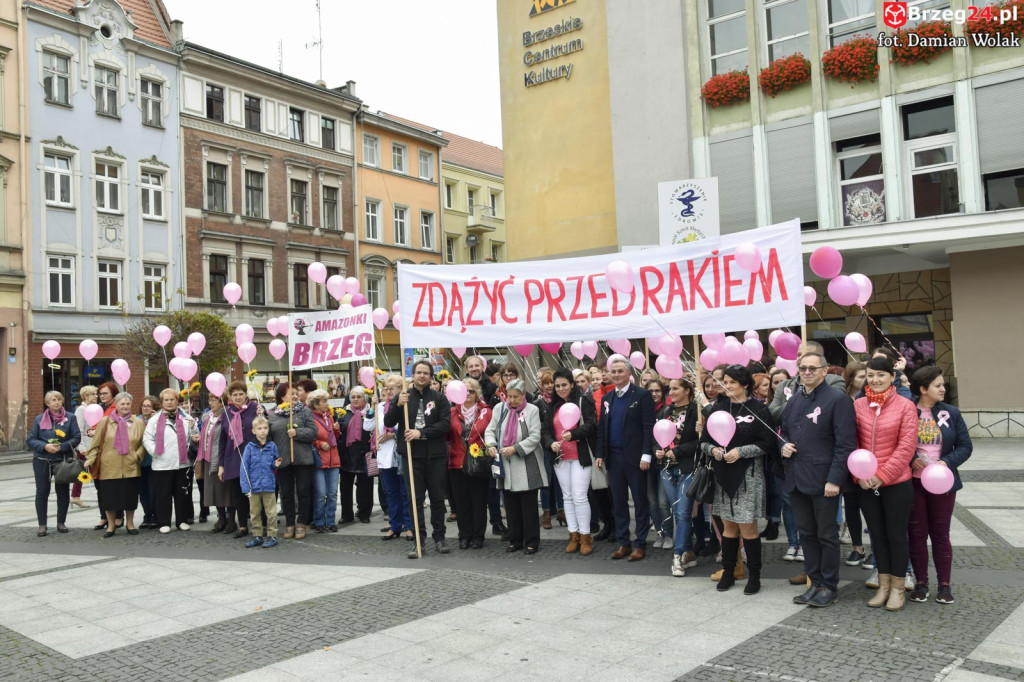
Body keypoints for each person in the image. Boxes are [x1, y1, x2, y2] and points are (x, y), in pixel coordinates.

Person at [780, 352, 857, 608]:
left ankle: (829, 585)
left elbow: (845, 444)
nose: (807, 372)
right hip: (796, 479)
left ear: (825, 371)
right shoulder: (794, 401)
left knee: (826, 535)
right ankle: (814, 583)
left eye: (813, 368)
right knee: (807, 535)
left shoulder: (838, 399)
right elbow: (786, 432)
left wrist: (835, 479)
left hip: (824, 480)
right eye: (803, 368)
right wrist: (783, 446)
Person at [699, 365, 777, 594]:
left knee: (748, 528)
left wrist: (741, 452)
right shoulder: (718, 409)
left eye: (732, 382)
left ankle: (755, 577)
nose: (727, 385)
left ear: (745, 384)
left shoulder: (757, 410)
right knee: (728, 527)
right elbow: (703, 441)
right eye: (725, 381)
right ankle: (730, 572)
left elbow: (768, 443)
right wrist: (712, 450)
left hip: (748, 476)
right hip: (722, 474)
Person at [854, 356, 918, 611]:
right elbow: (852, 443)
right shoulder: (858, 405)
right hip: (865, 484)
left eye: (880, 375)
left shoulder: (905, 405)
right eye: (870, 375)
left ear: (892, 377)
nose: (875, 380)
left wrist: (882, 475)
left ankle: (898, 589)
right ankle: (883, 586)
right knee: (877, 536)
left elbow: (906, 446)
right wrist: (858, 475)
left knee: (896, 535)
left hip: (896, 483)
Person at [907, 366, 972, 605]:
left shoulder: (951, 413)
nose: (943, 389)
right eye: (938, 385)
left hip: (943, 483)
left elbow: (966, 446)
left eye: (943, 385)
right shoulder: (907, 410)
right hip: (914, 483)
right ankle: (921, 583)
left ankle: (944, 585)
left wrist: (946, 462)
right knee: (916, 533)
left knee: (941, 534)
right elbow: (898, 442)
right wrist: (910, 458)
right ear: (923, 389)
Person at [384, 360, 453, 558]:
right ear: (412, 375)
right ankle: (418, 541)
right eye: (418, 372)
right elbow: (389, 422)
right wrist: (397, 405)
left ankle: (439, 537)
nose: (422, 376)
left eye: (426, 373)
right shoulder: (403, 397)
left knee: (438, 499)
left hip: (436, 456)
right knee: (415, 500)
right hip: (411, 456)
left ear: (431, 376)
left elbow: (445, 425)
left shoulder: (440, 398)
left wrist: (420, 433)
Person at [595, 358, 657, 562]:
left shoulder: (642, 395)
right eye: (613, 371)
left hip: (636, 457)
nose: (616, 374)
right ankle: (624, 542)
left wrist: (646, 454)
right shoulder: (608, 397)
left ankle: (640, 543)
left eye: (620, 370)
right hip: (613, 458)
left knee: (640, 501)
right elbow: (602, 428)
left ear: (630, 373)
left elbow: (649, 427)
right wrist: (599, 454)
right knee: (619, 502)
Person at [485, 378, 547, 554]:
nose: (511, 401)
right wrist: (490, 445)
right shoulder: (500, 409)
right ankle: (515, 539)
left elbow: (535, 436)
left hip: (527, 463)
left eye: (516, 397)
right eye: (509, 396)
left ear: (523, 395)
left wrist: (516, 448)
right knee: (511, 505)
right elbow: (490, 430)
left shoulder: (532, 410)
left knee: (528, 506)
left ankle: (531, 541)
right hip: (506, 464)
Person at [542, 367, 598, 556]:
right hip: (561, 457)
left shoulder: (584, 400)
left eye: (564, 384)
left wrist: (573, 434)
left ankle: (585, 536)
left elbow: (591, 425)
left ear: (572, 384)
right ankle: (573, 535)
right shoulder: (553, 406)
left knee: (580, 495)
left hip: (580, 456)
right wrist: (551, 444)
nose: (560, 388)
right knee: (567, 496)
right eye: (557, 385)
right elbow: (546, 431)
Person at [85, 392, 146, 537]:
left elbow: (144, 443)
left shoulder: (137, 422)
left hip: (130, 466)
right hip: (109, 466)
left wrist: (137, 456)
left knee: (130, 498)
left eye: (127, 404)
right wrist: (90, 459)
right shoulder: (105, 422)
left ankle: (130, 524)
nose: (125, 406)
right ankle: (111, 526)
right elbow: (96, 444)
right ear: (116, 405)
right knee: (110, 499)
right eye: (122, 404)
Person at [655, 378, 700, 576]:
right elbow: (656, 438)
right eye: (669, 389)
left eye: (675, 389)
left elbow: (700, 442)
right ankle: (688, 552)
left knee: (683, 513)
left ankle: (677, 556)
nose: (670, 392)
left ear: (687, 390)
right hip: (666, 469)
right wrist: (657, 450)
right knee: (677, 512)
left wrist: (679, 451)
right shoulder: (665, 412)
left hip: (687, 468)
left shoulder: (695, 411)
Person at [143, 388, 198, 534]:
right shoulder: (154, 420)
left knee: (182, 494)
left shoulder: (188, 418)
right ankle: (164, 521)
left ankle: (182, 520)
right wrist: (155, 451)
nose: (169, 402)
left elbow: (195, 436)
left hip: (182, 463)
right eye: (166, 400)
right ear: (162, 402)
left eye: (172, 399)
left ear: (177, 401)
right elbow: (147, 438)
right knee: (163, 495)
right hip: (162, 463)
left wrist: (193, 430)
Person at [27, 391, 82, 536]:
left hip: (62, 460)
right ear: (47, 403)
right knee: (42, 491)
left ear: (62, 401)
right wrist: (45, 446)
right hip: (42, 460)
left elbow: (76, 437)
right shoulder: (39, 419)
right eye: (53, 400)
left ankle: (61, 522)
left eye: (58, 399)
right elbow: (31, 439)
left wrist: (62, 447)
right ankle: (42, 525)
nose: (56, 402)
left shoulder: (70, 418)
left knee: (62, 492)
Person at [447, 377, 493, 549]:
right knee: (461, 501)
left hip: (478, 462)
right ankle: (464, 535)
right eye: (464, 391)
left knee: (479, 501)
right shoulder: (451, 411)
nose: (468, 395)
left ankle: (478, 535)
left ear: (477, 394)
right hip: (456, 461)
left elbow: (492, 434)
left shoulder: (486, 412)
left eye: (471, 391)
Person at [268, 382, 316, 539]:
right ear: (282, 397)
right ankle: (290, 523)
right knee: (286, 493)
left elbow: (313, 433)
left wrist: (297, 432)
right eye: (291, 393)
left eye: (296, 393)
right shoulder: (273, 414)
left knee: (303, 491)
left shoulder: (305, 412)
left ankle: (302, 522)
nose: (295, 395)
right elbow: (269, 437)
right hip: (283, 459)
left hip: (302, 458)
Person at [219, 381, 261, 538]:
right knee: (238, 494)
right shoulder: (226, 413)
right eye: (234, 394)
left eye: (241, 394)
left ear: (246, 394)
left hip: (254, 458)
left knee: (256, 493)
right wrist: (221, 465)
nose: (238, 397)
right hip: (233, 459)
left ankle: (259, 524)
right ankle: (243, 525)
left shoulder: (256, 409)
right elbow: (222, 441)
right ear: (230, 396)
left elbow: (265, 431)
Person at [375, 376, 413, 541]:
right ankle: (394, 525)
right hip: (385, 455)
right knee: (391, 492)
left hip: (400, 453)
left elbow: (403, 426)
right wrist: (371, 410)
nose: (389, 391)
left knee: (405, 492)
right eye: (386, 388)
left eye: (393, 388)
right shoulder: (381, 406)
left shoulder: (406, 405)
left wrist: (392, 434)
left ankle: (409, 526)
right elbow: (370, 427)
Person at [841, 361, 869, 564]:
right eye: (861, 376)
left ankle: (877, 549)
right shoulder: (842, 399)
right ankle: (857, 547)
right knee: (850, 505)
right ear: (851, 379)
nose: (866, 380)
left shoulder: (870, 399)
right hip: (848, 459)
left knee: (871, 506)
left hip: (867, 459)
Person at [239, 416, 281, 548]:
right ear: (253, 431)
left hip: (268, 484)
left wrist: (276, 464)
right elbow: (244, 467)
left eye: (265, 428)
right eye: (259, 428)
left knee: (271, 512)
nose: (263, 431)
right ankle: (257, 535)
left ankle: (272, 535)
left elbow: (275, 463)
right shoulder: (249, 447)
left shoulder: (272, 445)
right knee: (255, 512)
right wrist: (245, 486)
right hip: (254, 486)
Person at [339, 387, 375, 524]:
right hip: (347, 454)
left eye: (358, 397)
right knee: (345, 487)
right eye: (353, 397)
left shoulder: (371, 411)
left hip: (367, 452)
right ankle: (346, 514)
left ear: (365, 399)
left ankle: (364, 513)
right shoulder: (343, 412)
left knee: (366, 486)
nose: (355, 399)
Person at [533, 368, 564, 530]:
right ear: (541, 385)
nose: (550, 386)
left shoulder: (561, 401)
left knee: (560, 480)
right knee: (547, 481)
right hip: (545, 446)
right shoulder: (537, 403)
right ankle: (546, 513)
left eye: (552, 382)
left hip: (561, 445)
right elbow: (537, 428)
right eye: (546, 383)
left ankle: (561, 510)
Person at [307, 389, 341, 532]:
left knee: (332, 493)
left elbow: (335, 438)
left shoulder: (330, 416)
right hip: (320, 460)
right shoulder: (311, 418)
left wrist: (337, 430)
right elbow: (309, 437)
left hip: (333, 458)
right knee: (321, 493)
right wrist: (320, 443)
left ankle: (331, 520)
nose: (327, 404)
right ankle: (319, 521)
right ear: (316, 405)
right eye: (324, 401)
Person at [198, 395, 232, 533]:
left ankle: (230, 520)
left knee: (226, 491)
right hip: (208, 457)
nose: (210, 403)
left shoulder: (227, 416)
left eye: (214, 400)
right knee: (213, 491)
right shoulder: (207, 417)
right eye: (210, 400)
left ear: (222, 402)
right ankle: (221, 518)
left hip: (222, 457)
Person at [645, 378, 673, 549]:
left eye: (657, 391)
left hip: (663, 461)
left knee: (663, 501)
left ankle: (669, 534)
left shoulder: (668, 411)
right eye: (650, 391)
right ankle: (660, 533)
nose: (654, 394)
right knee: (652, 501)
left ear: (663, 393)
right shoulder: (642, 410)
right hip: (647, 461)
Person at [71, 385, 98, 509]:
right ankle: (76, 497)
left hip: (92, 446)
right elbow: (79, 430)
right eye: (93, 394)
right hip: (84, 447)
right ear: (86, 396)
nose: (96, 396)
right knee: (82, 471)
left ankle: (76, 496)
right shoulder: (82, 410)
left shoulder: (94, 409)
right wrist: (81, 447)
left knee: (84, 472)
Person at [136, 395, 160, 529]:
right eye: (144, 406)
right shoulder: (136, 420)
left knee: (153, 490)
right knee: (143, 491)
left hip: (153, 461)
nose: (145, 408)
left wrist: (156, 419)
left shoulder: (158, 419)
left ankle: (154, 515)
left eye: (148, 406)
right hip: (140, 460)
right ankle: (147, 515)